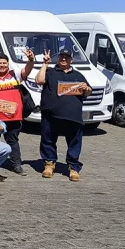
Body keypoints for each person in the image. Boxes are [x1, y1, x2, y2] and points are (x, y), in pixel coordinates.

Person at [35, 49, 93, 182]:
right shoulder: (50, 71)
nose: (63, 59)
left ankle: (73, 167)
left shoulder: (78, 75)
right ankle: (49, 164)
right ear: (58, 58)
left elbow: (88, 92)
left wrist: (87, 89)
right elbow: (39, 81)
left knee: (74, 142)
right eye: (61, 57)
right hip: (51, 114)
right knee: (48, 139)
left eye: (67, 57)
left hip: (73, 115)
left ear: (71, 60)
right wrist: (45, 64)